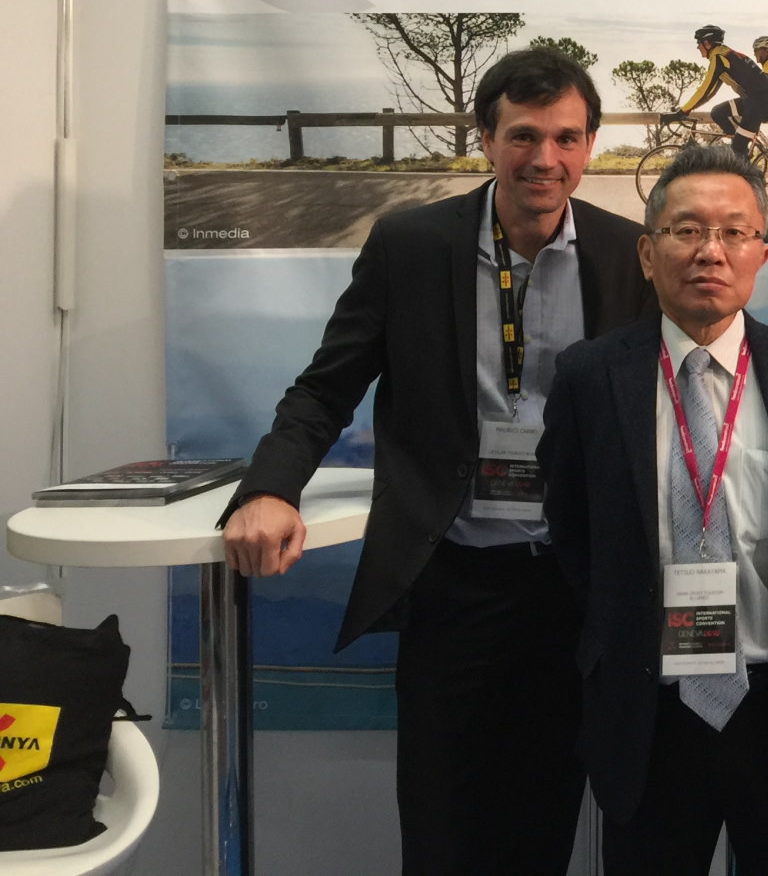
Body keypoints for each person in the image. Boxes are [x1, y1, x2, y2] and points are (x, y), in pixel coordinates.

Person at [219, 46, 652, 876]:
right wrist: (269, 489)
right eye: (523, 136)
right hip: (454, 582)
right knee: (442, 828)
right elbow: (324, 389)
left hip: (576, 586)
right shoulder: (411, 245)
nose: (546, 158)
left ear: (591, 145)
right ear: (485, 138)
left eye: (566, 138)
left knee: (543, 825)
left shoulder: (627, 253)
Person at [539, 144, 768, 876]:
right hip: (649, 713)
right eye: (687, 230)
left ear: (761, 253)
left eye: (733, 232)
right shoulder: (590, 377)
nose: (710, 251)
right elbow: (571, 526)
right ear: (647, 253)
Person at [676, 24, 768, 158]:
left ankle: (742, 156)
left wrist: (682, 111)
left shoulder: (719, 57)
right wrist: (686, 109)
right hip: (754, 101)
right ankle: (737, 140)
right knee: (718, 112)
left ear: (707, 43)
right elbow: (711, 92)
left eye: (699, 43)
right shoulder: (725, 55)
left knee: (737, 152)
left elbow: (704, 90)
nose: (697, 47)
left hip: (758, 105)